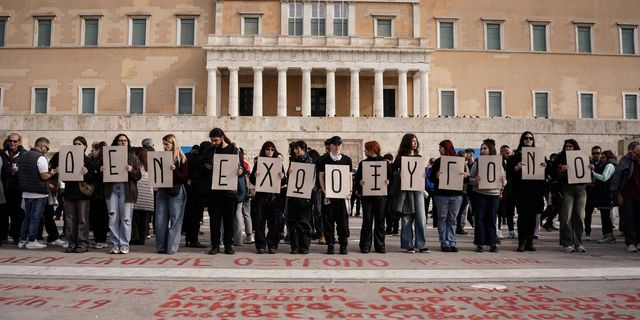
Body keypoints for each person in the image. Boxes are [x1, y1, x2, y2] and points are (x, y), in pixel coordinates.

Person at [202, 128, 245, 255]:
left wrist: (240, 171)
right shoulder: (210, 150)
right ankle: (215, 245)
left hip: (229, 191)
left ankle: (228, 245)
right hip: (214, 192)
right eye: (212, 141)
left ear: (222, 138)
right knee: (214, 220)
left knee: (229, 221)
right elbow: (202, 167)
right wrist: (207, 167)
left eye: (215, 140)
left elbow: (242, 167)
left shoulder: (233, 150)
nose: (214, 143)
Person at [506, 131, 546, 252]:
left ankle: (530, 242)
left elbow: (546, 176)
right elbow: (508, 173)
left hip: (535, 190)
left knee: (533, 217)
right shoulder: (515, 157)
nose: (528, 140)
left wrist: (545, 167)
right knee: (523, 217)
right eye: (526, 138)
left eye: (531, 138)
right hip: (521, 190)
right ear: (522, 140)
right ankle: (521, 242)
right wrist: (516, 168)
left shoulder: (540, 156)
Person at [103, 133, 142, 254]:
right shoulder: (108, 155)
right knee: (113, 216)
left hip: (127, 189)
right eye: (120, 141)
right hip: (112, 188)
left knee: (126, 218)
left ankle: (124, 244)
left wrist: (131, 170)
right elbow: (100, 174)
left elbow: (138, 175)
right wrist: (101, 170)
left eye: (125, 141)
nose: (123, 142)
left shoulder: (132, 157)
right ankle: (115, 243)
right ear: (116, 142)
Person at [16, 137, 57, 249]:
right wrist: (52, 173)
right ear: (42, 145)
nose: (46, 150)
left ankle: (22, 240)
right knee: (35, 218)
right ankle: (32, 241)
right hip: (39, 193)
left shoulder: (23, 156)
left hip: (25, 192)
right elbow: (44, 176)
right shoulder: (41, 158)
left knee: (27, 217)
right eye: (46, 148)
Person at [393, 134, 430, 254]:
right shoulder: (400, 158)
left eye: (416, 141)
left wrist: (423, 175)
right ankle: (408, 244)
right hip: (405, 191)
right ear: (407, 142)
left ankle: (421, 244)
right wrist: (399, 174)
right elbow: (393, 173)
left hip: (417, 190)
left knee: (421, 218)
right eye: (412, 141)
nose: (415, 143)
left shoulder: (419, 157)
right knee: (407, 218)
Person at [550, 139, 588, 253]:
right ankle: (567, 243)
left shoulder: (582, 157)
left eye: (570, 146)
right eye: (566, 146)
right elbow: (553, 174)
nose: (568, 148)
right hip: (567, 189)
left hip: (581, 189)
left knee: (580, 216)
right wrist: (560, 170)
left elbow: (588, 176)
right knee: (566, 217)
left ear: (575, 147)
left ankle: (578, 243)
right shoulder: (560, 158)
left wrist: (591, 169)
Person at [318, 136, 353, 255]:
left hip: (342, 196)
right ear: (331, 146)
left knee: (343, 222)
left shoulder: (347, 159)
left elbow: (349, 176)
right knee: (328, 221)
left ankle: (343, 244)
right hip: (329, 195)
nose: (338, 147)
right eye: (335, 145)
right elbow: (321, 176)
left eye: (339, 145)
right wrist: (324, 190)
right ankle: (330, 244)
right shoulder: (324, 159)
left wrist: (350, 190)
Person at [155, 134, 189, 254]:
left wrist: (174, 170)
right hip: (162, 190)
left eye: (166, 144)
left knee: (175, 220)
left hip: (176, 191)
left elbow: (184, 177)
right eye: (163, 144)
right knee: (160, 220)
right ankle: (161, 246)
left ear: (173, 144)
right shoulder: (161, 156)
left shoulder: (181, 158)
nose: (164, 146)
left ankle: (171, 247)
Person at [429, 139, 465, 252]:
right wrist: (436, 175)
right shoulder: (438, 161)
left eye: (441, 147)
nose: (439, 149)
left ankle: (451, 241)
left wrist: (465, 175)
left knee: (452, 219)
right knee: (442, 219)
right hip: (441, 194)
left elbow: (464, 178)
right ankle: (444, 242)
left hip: (456, 194)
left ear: (446, 148)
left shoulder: (459, 160)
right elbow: (431, 179)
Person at [467, 139, 503, 252]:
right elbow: (469, 179)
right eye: (481, 148)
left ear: (490, 150)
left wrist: (503, 181)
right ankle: (480, 243)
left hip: (494, 194)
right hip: (480, 194)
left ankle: (493, 243)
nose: (482, 150)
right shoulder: (477, 163)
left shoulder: (498, 163)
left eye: (484, 148)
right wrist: (475, 180)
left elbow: (503, 180)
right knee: (480, 219)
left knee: (492, 219)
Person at [61, 136, 95, 253]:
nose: (76, 146)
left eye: (79, 144)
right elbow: (64, 179)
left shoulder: (88, 161)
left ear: (85, 146)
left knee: (82, 220)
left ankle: (82, 243)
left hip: (82, 195)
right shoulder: (67, 158)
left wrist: (86, 173)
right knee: (70, 220)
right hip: (69, 193)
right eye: (74, 143)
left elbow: (93, 179)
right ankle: (71, 242)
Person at [250, 141, 285, 254]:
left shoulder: (278, 163)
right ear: (264, 150)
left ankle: (272, 245)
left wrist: (282, 176)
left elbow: (284, 181)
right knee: (260, 221)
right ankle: (260, 245)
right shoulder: (259, 162)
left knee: (274, 222)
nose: (270, 151)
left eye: (272, 149)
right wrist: (255, 176)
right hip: (261, 196)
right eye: (267, 149)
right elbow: (251, 179)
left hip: (274, 196)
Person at [355, 140, 390, 253]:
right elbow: (357, 179)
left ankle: (380, 245)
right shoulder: (363, 163)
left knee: (380, 221)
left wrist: (388, 182)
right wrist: (360, 183)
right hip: (367, 197)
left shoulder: (384, 163)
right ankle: (365, 245)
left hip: (380, 197)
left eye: (366, 149)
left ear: (372, 149)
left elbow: (391, 178)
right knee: (367, 221)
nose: (364, 151)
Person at [610, 141, 640, 253]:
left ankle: (638, 241)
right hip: (627, 195)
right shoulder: (625, 161)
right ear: (631, 152)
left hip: (638, 195)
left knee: (638, 219)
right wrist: (617, 194)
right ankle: (631, 243)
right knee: (629, 220)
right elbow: (617, 178)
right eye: (637, 154)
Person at [184, 141, 211, 248]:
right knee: (197, 216)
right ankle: (193, 239)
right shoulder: (204, 160)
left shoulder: (190, 157)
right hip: (200, 190)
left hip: (189, 189)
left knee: (190, 215)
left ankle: (188, 238)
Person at [1, 133, 26, 245]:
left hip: (17, 188)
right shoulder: (2, 154)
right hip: (4, 188)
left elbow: (27, 170)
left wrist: (18, 172)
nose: (12, 143)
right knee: (3, 213)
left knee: (17, 213)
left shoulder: (24, 154)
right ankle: (3, 236)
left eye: (15, 141)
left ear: (19, 142)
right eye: (10, 141)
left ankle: (16, 235)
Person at [588, 150, 617, 244]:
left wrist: (592, 173)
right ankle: (607, 235)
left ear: (608, 157)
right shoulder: (604, 165)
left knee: (606, 216)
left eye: (603, 157)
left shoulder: (609, 165)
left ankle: (609, 236)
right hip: (603, 194)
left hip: (607, 193)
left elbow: (604, 178)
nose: (601, 159)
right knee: (604, 215)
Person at [130, 147, 153, 246]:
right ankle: (142, 238)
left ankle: (135, 237)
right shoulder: (150, 168)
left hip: (137, 197)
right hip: (148, 198)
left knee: (134, 219)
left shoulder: (137, 168)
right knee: (145, 220)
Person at [89, 141, 109, 249]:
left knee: (101, 217)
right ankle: (98, 239)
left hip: (102, 193)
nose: (91, 152)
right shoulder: (93, 160)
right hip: (95, 193)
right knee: (96, 217)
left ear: (98, 150)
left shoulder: (103, 161)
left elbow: (101, 177)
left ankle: (101, 240)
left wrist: (97, 172)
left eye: (93, 150)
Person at [234, 148, 253, 246]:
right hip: (246, 191)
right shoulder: (245, 164)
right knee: (246, 213)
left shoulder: (237, 164)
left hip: (240, 191)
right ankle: (249, 235)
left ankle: (237, 239)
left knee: (237, 214)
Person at [584, 145, 603, 241]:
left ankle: (606, 234)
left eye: (598, 153)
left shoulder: (603, 164)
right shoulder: (587, 163)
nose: (596, 155)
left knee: (604, 213)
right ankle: (587, 232)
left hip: (600, 191)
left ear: (601, 154)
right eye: (594, 153)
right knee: (588, 213)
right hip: (590, 191)